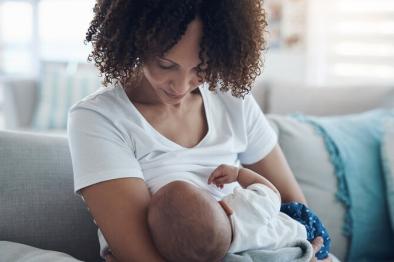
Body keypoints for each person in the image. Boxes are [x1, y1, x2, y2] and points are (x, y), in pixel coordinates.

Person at [67, 0, 331, 261]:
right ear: (135, 40)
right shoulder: (98, 119)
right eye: (166, 64)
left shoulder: (231, 99)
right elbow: (141, 257)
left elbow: (296, 211)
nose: (181, 86)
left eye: (201, 68)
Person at [146, 164, 331, 262]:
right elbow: (272, 193)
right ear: (225, 207)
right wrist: (239, 174)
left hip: (296, 253)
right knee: (290, 209)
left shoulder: (226, 258)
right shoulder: (243, 206)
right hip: (306, 231)